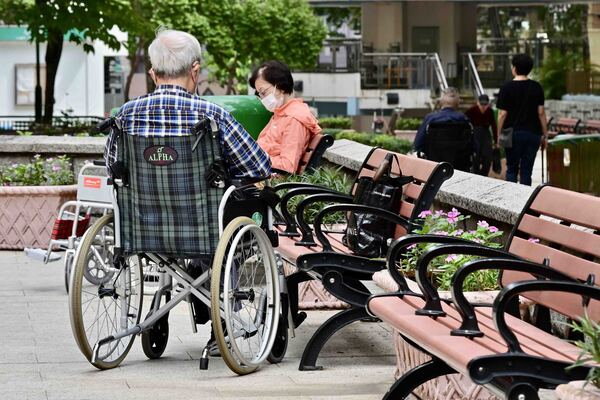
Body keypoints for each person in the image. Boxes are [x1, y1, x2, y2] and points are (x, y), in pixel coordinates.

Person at [104, 28, 271, 355]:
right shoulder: (213, 115)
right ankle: (222, 312)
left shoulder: (125, 115)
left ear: (153, 73)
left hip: (142, 229)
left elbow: (113, 168)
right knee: (237, 212)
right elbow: (258, 166)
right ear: (195, 70)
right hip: (204, 228)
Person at [249, 60, 322, 174]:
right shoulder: (281, 113)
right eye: (259, 94)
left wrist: (253, 161)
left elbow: (287, 165)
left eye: (263, 92)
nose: (262, 99)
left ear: (281, 86)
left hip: (268, 178)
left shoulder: (294, 118)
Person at [496, 53, 548, 186]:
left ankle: (511, 197)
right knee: (526, 171)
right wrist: (545, 135)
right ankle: (526, 198)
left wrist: (498, 135)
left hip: (511, 134)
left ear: (514, 68)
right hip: (533, 133)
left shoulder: (506, 87)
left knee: (511, 168)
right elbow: (541, 113)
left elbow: (502, 114)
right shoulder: (536, 87)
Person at [413, 87, 470, 154]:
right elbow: (473, 145)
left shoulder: (430, 118)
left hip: (433, 159)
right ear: (458, 103)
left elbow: (418, 145)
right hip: (459, 159)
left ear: (440, 102)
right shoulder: (464, 119)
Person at [465, 94, 497, 176]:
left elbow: (494, 126)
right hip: (475, 134)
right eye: (481, 104)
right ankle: (476, 174)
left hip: (486, 134)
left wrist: (496, 141)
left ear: (488, 104)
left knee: (487, 157)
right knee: (476, 156)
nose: (483, 107)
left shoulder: (490, 111)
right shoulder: (471, 110)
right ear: (478, 103)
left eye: (485, 105)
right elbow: (465, 124)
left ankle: (484, 175)